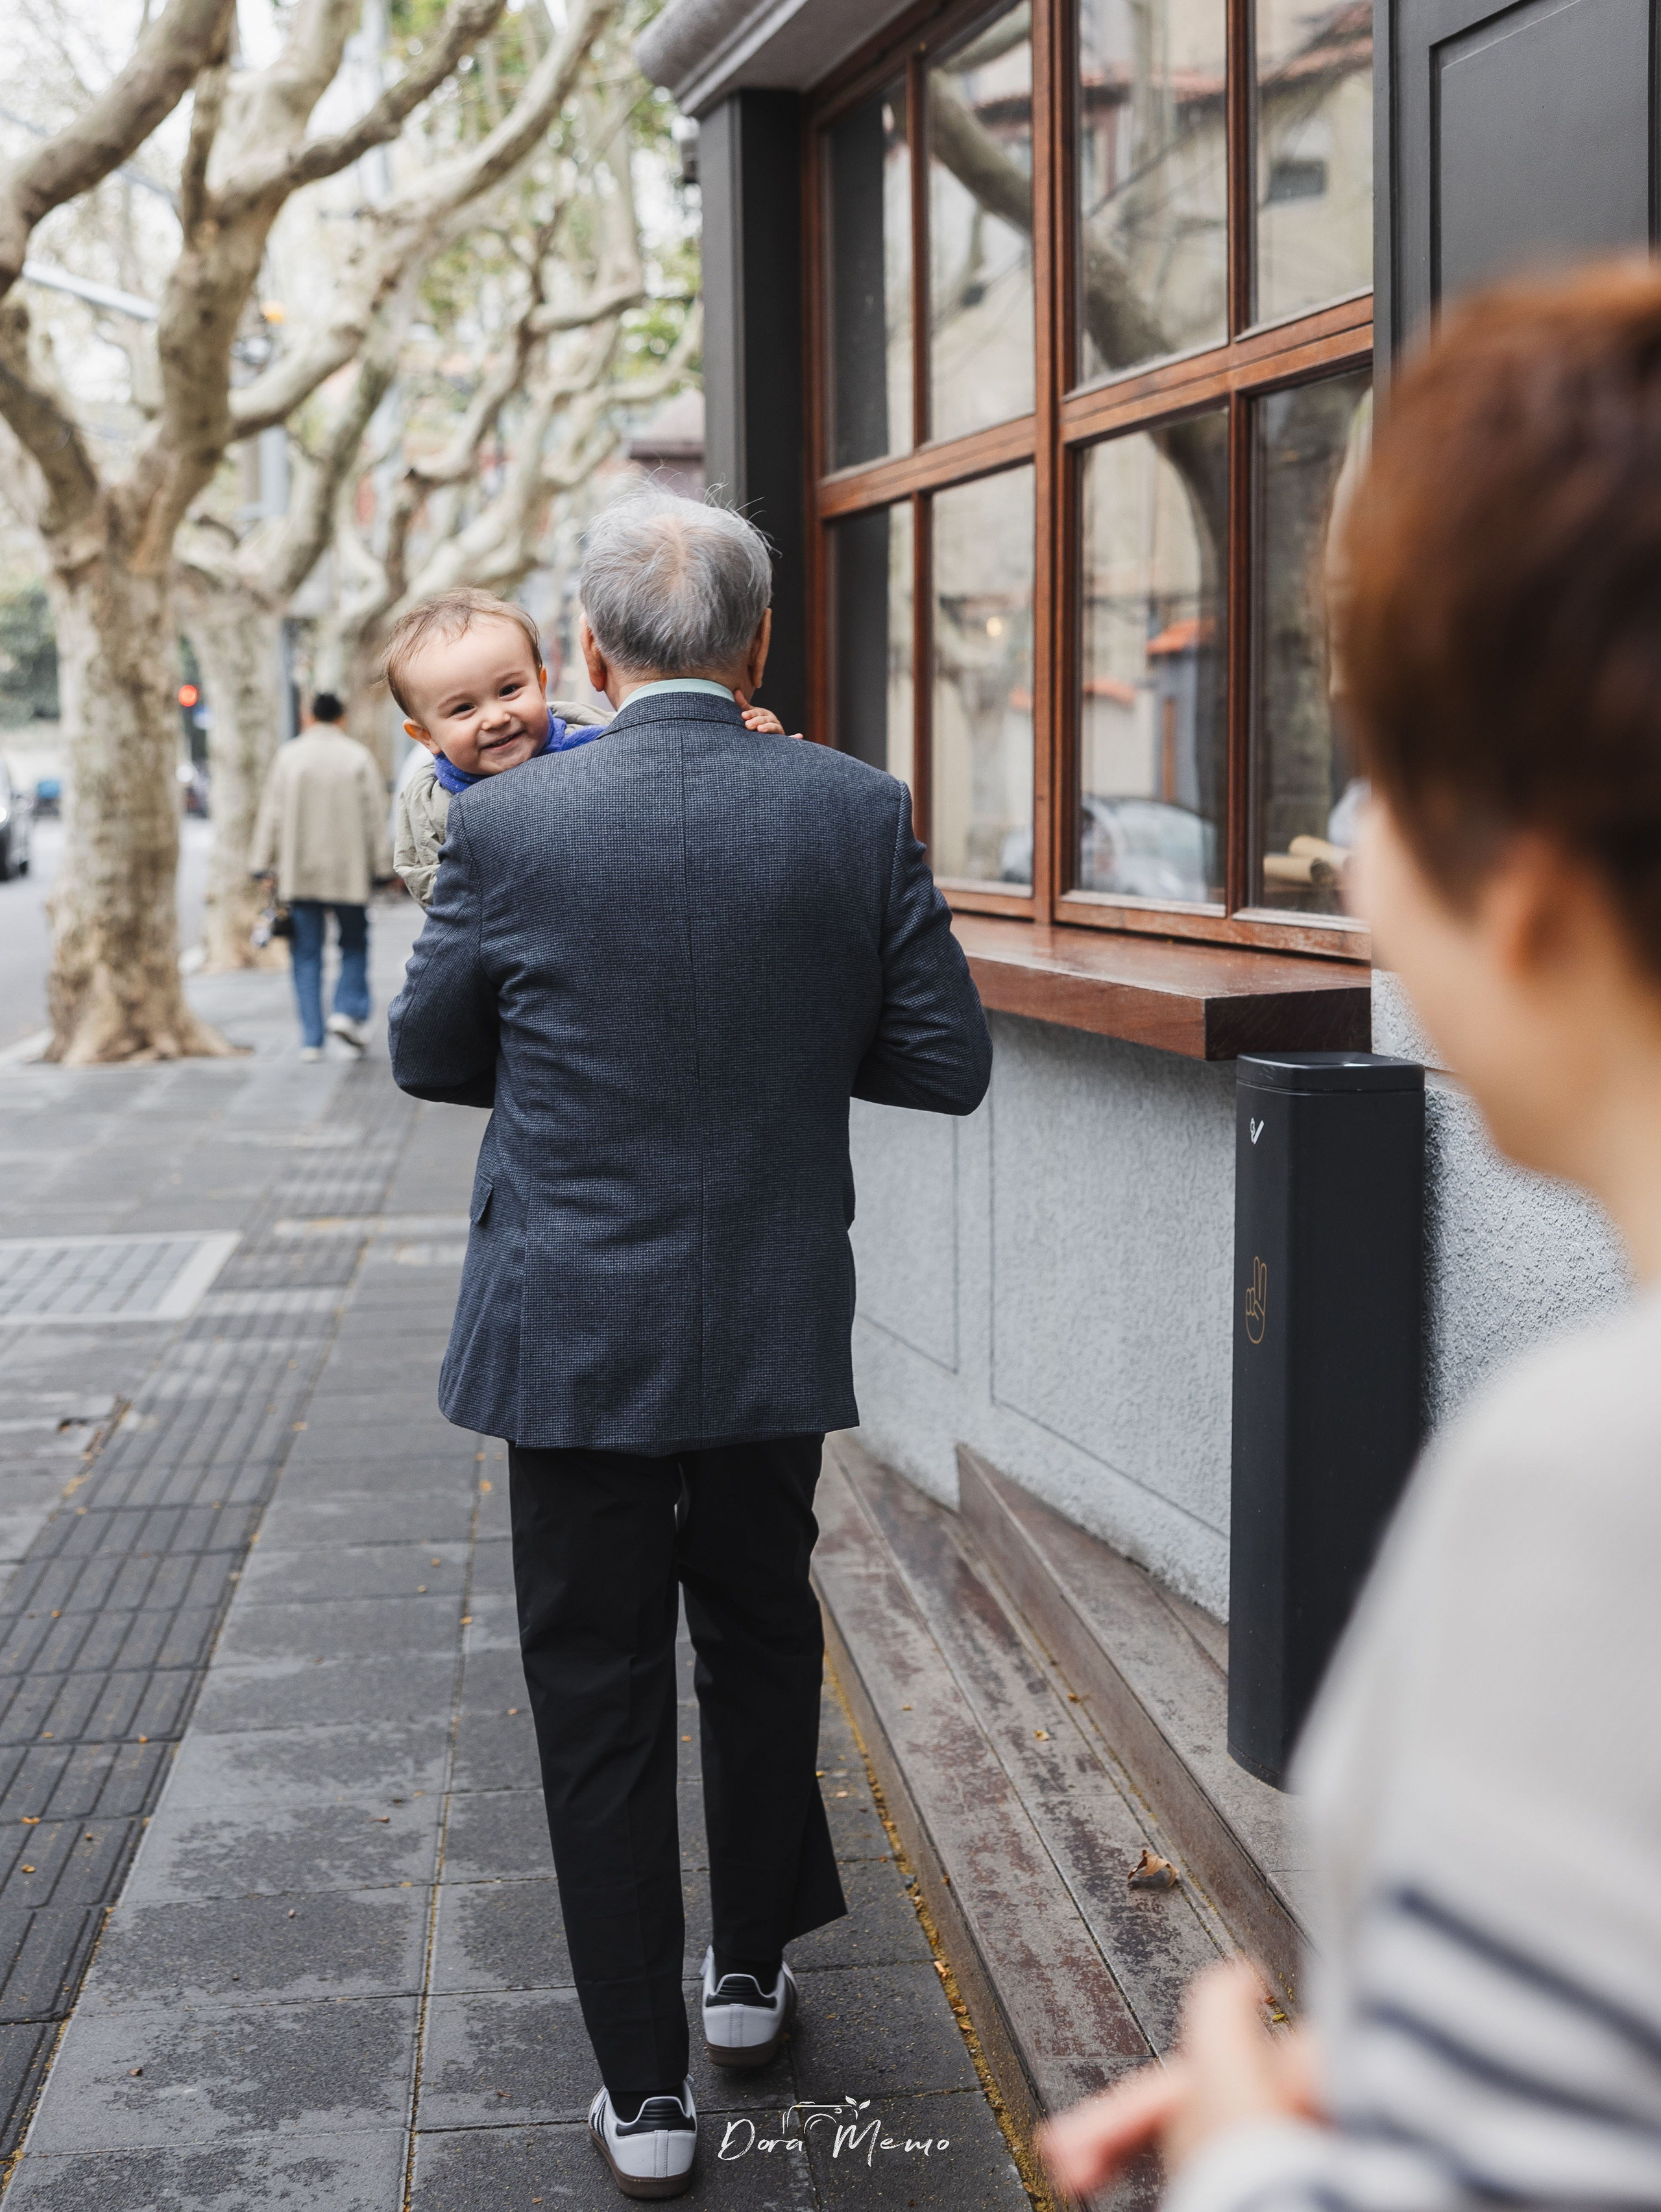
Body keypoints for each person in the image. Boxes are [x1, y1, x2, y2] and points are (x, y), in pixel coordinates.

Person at [1041, 262, 1661, 2211]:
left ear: (1533, 886)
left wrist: (1251, 2155)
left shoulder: (1596, 1482)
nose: (1351, 857)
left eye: (1377, 773)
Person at [388, 487, 991, 2200]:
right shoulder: (856, 804)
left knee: (595, 1695)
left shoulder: (509, 831)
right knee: (756, 1632)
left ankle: (645, 2097)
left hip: (569, 1328)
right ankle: (747, 1975)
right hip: (765, 1312)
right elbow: (944, 1059)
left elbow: (434, 1057)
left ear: (586, 653)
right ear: (762, 642)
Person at [386, 585, 792, 908]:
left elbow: (685, 800)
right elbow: (444, 904)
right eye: (463, 709)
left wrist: (753, 749)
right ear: (426, 737)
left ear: (541, 684)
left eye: (510, 690)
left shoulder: (600, 742)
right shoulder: (433, 808)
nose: (494, 718)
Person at [251, 691, 391, 1061]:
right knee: (355, 943)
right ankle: (347, 1011)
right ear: (341, 718)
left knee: (306, 953)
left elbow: (273, 814)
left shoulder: (289, 756)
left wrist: (262, 863)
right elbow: (374, 818)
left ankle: (311, 1040)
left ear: (310, 717)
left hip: (302, 872)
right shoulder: (358, 757)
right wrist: (382, 867)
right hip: (349, 873)